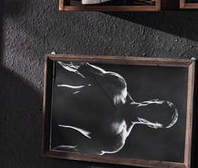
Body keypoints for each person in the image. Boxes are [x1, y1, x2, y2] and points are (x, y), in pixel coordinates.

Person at [50, 60, 178, 156]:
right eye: (155, 107)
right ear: (154, 100)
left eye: (154, 118)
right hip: (49, 91)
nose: (149, 112)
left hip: (46, 119)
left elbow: (75, 152)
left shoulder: (116, 140)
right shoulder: (118, 85)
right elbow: (77, 65)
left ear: (152, 126)